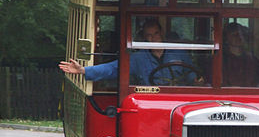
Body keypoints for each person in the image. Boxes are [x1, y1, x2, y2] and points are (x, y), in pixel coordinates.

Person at [59, 18, 197, 85]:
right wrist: (84, 70)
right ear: (144, 38)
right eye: (149, 35)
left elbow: (192, 74)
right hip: (148, 100)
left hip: (176, 99)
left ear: (162, 33)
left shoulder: (179, 53)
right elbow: (113, 68)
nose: (153, 38)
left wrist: (198, 81)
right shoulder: (138, 58)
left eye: (156, 33)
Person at [222, 22, 259, 87]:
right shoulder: (222, 60)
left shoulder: (252, 60)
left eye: (241, 34)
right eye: (234, 34)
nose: (239, 37)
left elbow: (258, 81)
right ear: (226, 38)